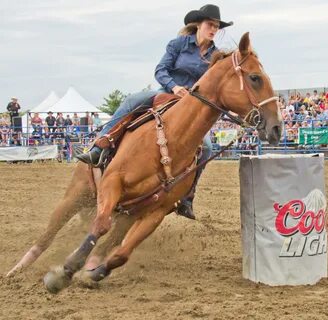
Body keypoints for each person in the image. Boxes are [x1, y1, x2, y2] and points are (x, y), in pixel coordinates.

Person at [77, 4, 233, 219]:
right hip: (167, 92)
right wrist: (175, 87)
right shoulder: (179, 44)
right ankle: (100, 146)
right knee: (132, 101)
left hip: (192, 106)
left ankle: (187, 197)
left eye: (216, 26)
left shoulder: (215, 55)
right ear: (198, 25)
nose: (213, 29)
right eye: (210, 24)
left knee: (206, 147)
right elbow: (161, 69)